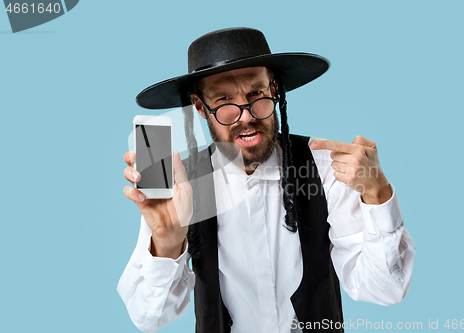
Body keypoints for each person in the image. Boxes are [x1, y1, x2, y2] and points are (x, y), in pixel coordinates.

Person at [118, 27, 416, 333]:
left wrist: (378, 195)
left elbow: (384, 290)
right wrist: (167, 244)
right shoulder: (179, 186)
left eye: (256, 94)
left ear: (275, 90)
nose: (246, 116)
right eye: (224, 100)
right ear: (200, 107)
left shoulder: (328, 168)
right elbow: (149, 318)